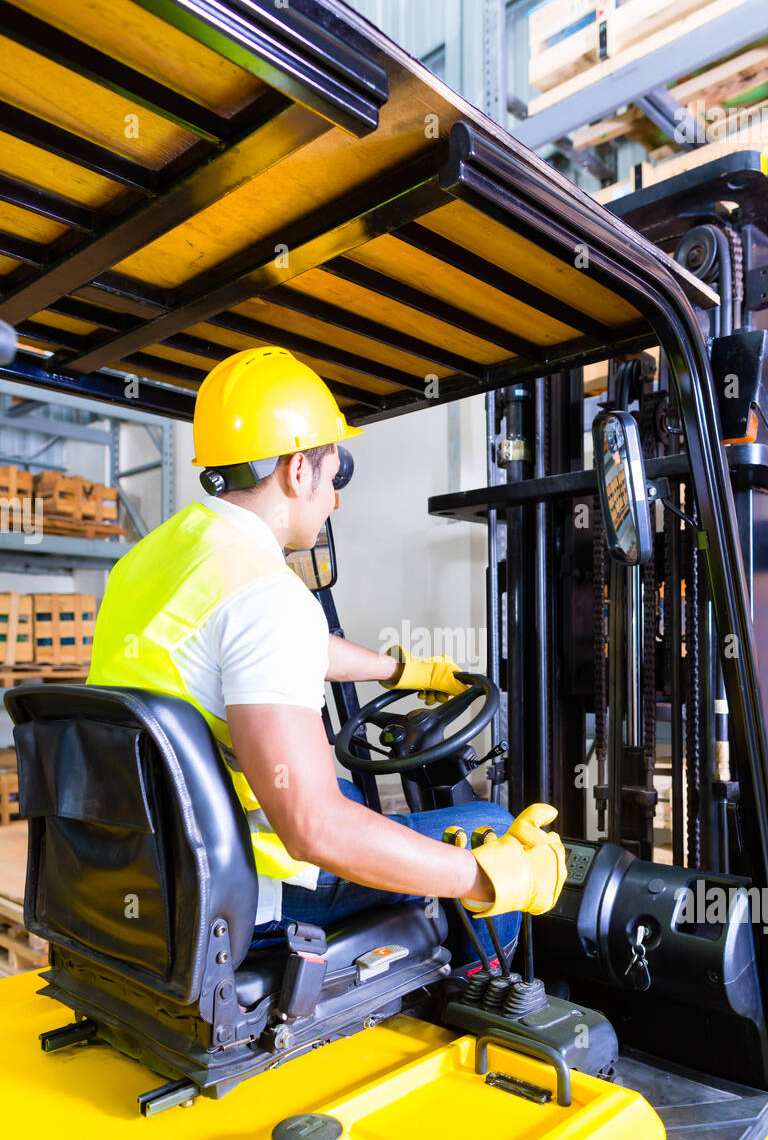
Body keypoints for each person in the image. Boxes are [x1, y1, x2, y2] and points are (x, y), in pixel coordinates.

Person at [88, 347, 566, 963]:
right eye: (334, 474)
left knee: (359, 796)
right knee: (493, 829)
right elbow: (313, 828)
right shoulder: (267, 595)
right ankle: (482, 1001)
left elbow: (263, 649)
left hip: (140, 861)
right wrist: (489, 877)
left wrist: (403, 671)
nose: (336, 499)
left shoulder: (155, 560)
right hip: (239, 891)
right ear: (295, 469)